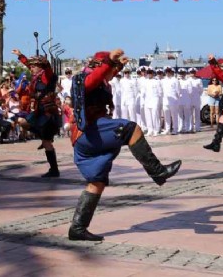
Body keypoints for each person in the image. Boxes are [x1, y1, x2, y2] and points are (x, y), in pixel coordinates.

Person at [68, 49, 181, 241]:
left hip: (92, 134)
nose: (113, 74)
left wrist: (117, 64)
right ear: (99, 64)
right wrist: (110, 62)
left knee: (97, 182)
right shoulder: (83, 78)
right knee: (130, 128)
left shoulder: (102, 80)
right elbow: (93, 80)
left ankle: (77, 228)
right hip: (87, 133)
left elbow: (105, 76)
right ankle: (158, 171)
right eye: (110, 68)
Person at [12, 48, 61, 177]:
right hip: (40, 110)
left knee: (47, 143)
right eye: (32, 66)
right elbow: (29, 64)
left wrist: (45, 62)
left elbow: (48, 69)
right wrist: (20, 55)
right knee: (22, 121)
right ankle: (42, 137)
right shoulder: (36, 76)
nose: (31, 68)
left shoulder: (46, 76)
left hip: (48, 112)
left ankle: (54, 170)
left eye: (34, 66)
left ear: (41, 67)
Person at [187, 68, 204, 133]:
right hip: (189, 98)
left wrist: (197, 95)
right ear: (189, 73)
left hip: (197, 98)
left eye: (194, 72)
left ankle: (197, 127)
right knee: (190, 114)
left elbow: (201, 90)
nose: (192, 73)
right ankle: (190, 127)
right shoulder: (187, 80)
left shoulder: (199, 80)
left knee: (197, 114)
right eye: (191, 72)